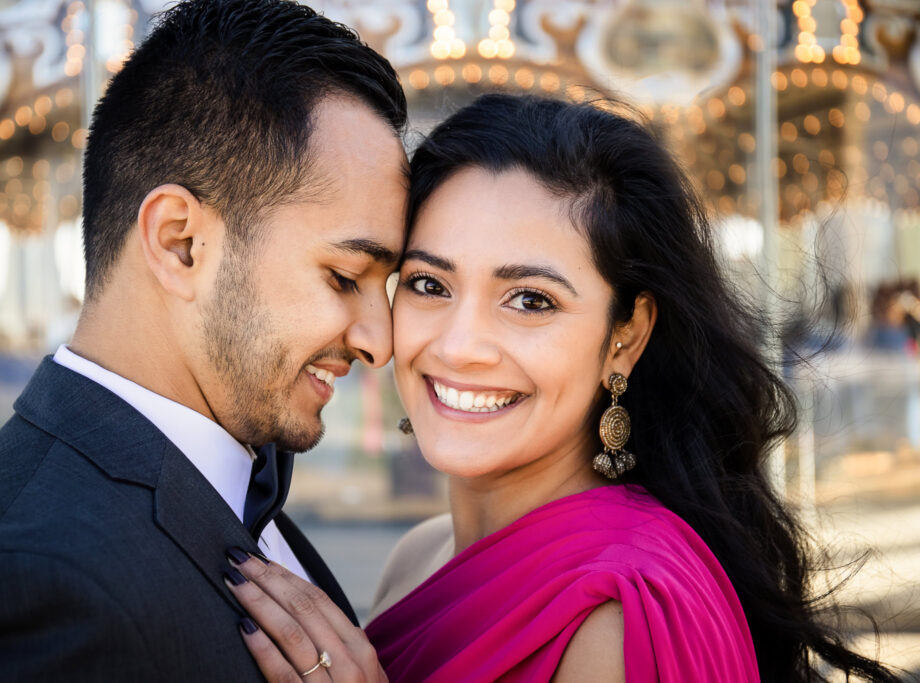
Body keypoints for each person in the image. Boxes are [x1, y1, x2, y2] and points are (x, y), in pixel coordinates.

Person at [221, 94, 902, 682]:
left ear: (625, 336)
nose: (457, 345)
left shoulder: (620, 613)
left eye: (530, 300)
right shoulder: (418, 557)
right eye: (430, 284)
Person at [0, 0, 407, 679]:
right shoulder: (39, 598)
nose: (381, 341)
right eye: (345, 276)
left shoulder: (235, 470)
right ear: (180, 242)